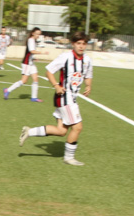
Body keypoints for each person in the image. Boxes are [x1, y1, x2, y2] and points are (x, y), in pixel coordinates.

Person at [18, 31, 93, 166]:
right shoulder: (66, 57)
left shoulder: (87, 60)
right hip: (65, 96)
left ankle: (30, 131)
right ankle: (69, 157)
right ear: (73, 44)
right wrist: (56, 85)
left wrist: (88, 85)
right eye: (78, 43)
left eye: (84, 44)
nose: (81, 46)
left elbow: (88, 75)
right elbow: (49, 71)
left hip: (71, 97)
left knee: (61, 131)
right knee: (77, 127)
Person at [3, 27, 44, 102]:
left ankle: (34, 98)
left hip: (31, 63)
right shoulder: (31, 40)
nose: (38, 35)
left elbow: (30, 53)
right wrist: (42, 53)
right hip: (26, 63)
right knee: (24, 81)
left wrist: (34, 58)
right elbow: (32, 51)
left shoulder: (34, 41)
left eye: (39, 34)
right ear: (33, 33)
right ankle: (7, 90)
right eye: (37, 34)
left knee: (35, 79)